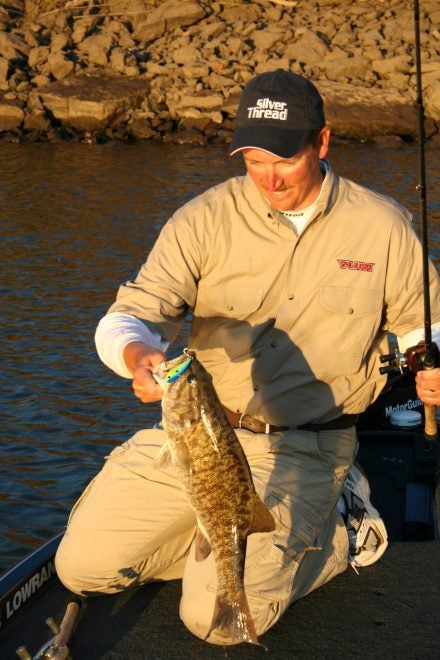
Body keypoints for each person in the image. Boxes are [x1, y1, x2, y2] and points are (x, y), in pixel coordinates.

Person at [55, 70, 440, 644]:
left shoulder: (383, 226)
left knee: (217, 624)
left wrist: (432, 366)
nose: (269, 177)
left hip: (307, 446)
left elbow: (424, 326)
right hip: (198, 436)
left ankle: (342, 528)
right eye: (254, 159)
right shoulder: (202, 219)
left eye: (283, 159)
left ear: (322, 143)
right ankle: (215, 546)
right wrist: (136, 355)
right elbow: (129, 315)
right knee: (82, 570)